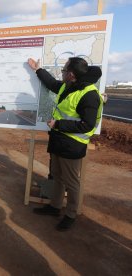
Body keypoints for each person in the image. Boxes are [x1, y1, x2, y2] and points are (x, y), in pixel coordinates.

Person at [28, 57, 103, 231]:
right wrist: (38, 69)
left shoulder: (89, 94)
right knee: (57, 176)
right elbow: (51, 83)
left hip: (72, 145)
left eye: (63, 70)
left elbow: (87, 125)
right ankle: (55, 207)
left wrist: (58, 124)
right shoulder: (68, 86)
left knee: (71, 181)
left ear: (70, 74)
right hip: (59, 141)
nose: (61, 73)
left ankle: (70, 214)